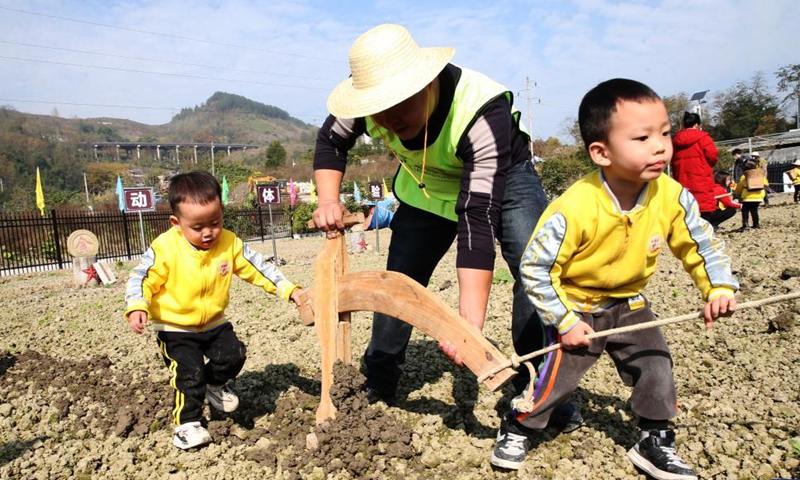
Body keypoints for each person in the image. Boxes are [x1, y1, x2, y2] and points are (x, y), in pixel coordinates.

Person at [311, 23, 581, 430]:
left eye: (398, 105)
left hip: (505, 179)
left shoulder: (482, 111)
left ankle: (540, 384)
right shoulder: (367, 106)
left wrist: (466, 328)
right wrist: (328, 200)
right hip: (428, 185)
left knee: (534, 265)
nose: (386, 119)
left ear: (428, 82)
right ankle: (378, 377)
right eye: (377, 109)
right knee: (399, 278)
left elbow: (476, 218)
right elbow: (331, 142)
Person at [490, 79, 738, 480]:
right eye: (642, 137)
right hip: (577, 307)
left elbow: (702, 245)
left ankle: (654, 439)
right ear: (601, 152)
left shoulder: (671, 196)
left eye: (664, 134)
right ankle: (518, 424)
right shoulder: (573, 207)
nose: (660, 146)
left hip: (630, 302)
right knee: (557, 381)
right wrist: (565, 321)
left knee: (656, 365)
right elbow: (535, 269)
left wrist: (719, 288)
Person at [124, 171, 303, 450]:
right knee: (189, 374)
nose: (208, 232)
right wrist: (137, 305)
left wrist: (289, 289)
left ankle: (215, 385)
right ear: (177, 222)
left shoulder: (229, 243)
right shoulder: (166, 247)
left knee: (233, 355)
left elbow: (259, 269)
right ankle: (187, 424)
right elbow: (141, 278)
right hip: (175, 327)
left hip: (214, 321)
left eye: (215, 222)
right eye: (197, 227)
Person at [670, 111, 721, 222]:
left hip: (681, 178)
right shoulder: (703, 138)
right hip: (701, 176)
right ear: (697, 125)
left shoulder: (675, 140)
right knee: (703, 208)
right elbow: (712, 156)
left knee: (685, 207)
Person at [734, 159, 770, 229]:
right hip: (759, 196)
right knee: (754, 210)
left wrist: (736, 192)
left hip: (748, 196)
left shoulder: (745, 176)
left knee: (745, 210)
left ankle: (745, 224)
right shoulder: (760, 175)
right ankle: (756, 224)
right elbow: (766, 184)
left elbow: (740, 186)